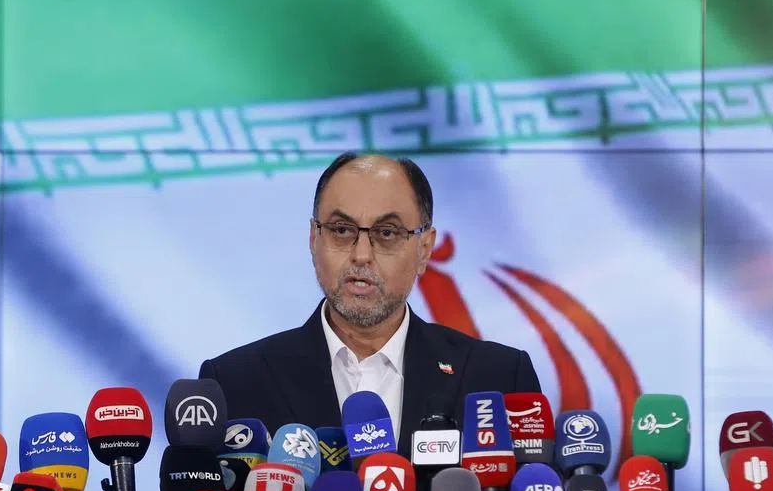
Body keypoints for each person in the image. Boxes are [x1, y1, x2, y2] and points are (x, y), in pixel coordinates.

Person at [198, 151, 542, 446]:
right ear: (313, 239)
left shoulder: (498, 379)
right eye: (342, 230)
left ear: (424, 249)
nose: (361, 255)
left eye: (387, 233)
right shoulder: (235, 383)